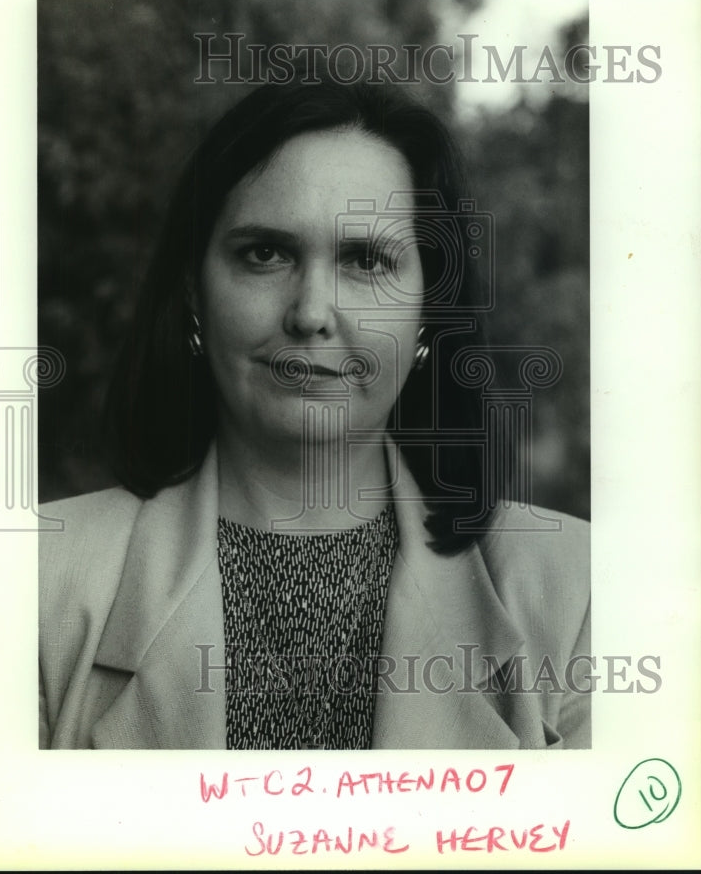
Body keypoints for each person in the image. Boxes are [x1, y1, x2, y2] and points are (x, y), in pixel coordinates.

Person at [39, 76, 590, 750]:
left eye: (365, 260)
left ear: (431, 310)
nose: (309, 314)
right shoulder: (28, 580)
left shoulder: (579, 590)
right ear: (193, 291)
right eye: (264, 254)